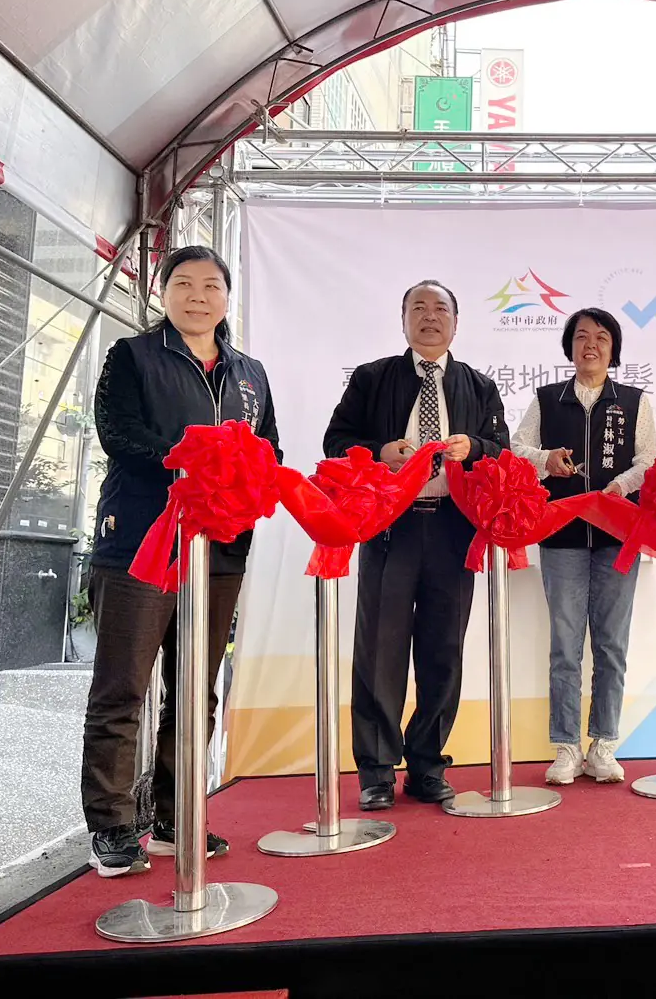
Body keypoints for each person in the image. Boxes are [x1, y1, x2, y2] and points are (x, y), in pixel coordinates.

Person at [81, 245, 280, 877]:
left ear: (227, 297)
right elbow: (119, 435)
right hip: (143, 546)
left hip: (219, 550)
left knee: (196, 692)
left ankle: (174, 816)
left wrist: (241, 482)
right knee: (123, 689)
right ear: (163, 293)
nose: (198, 296)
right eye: (184, 284)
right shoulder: (132, 356)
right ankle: (111, 825)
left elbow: (269, 449)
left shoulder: (250, 373)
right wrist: (193, 462)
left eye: (211, 285)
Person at [324, 280, 508, 811]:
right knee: (379, 650)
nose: (430, 317)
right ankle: (376, 771)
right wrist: (379, 452)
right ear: (403, 320)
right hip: (389, 527)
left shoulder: (479, 385)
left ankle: (427, 764)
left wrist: (476, 447)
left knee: (443, 651)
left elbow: (503, 449)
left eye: (440, 309)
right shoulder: (372, 378)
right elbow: (335, 442)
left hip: (453, 528)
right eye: (419, 308)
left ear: (456, 321)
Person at [511, 308, 656, 785]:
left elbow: (650, 460)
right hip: (562, 536)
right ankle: (566, 747)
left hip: (619, 535)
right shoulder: (546, 400)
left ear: (613, 349)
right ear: (569, 347)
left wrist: (621, 485)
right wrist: (546, 459)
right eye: (581, 337)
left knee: (612, 644)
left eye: (601, 337)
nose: (590, 345)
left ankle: (604, 744)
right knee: (565, 645)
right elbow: (516, 450)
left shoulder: (634, 401)